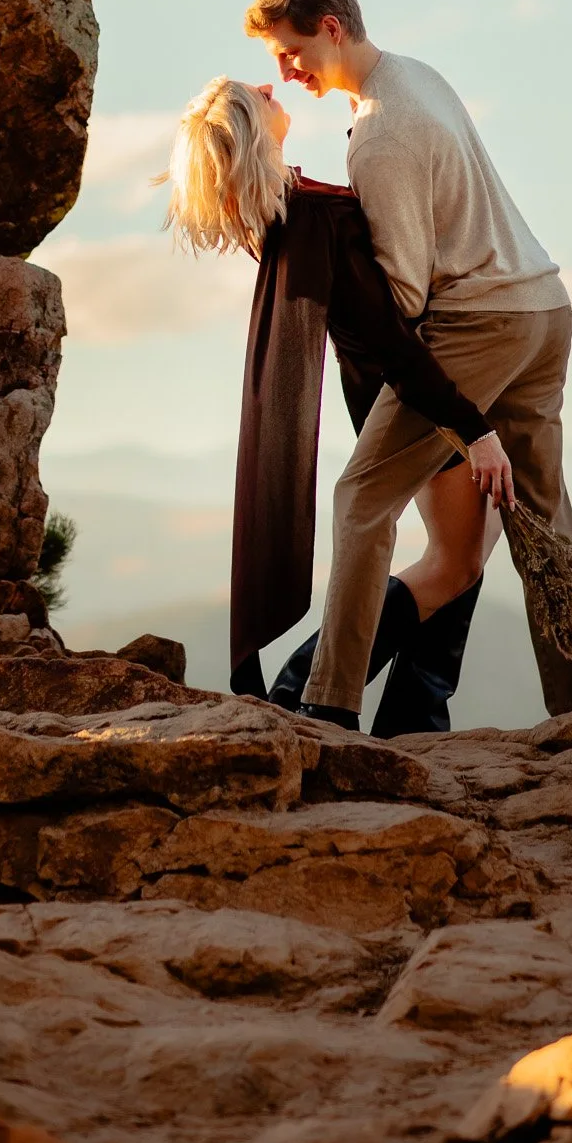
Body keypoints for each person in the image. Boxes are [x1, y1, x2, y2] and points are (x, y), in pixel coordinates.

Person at [244, 0, 572, 726]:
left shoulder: (379, 138)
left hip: (480, 324)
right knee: (545, 529)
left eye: (291, 52)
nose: (286, 71)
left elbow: (404, 298)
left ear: (330, 28)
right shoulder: (417, 75)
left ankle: (326, 706)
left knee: (360, 500)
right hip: (543, 308)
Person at [162, 75, 502, 732]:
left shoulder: (291, 211)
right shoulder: (308, 217)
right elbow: (387, 337)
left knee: (466, 550)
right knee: (457, 560)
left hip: (395, 386)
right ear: (248, 130)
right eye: (257, 93)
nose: (271, 83)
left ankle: (406, 715)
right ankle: (315, 694)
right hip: (409, 392)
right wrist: (471, 425)